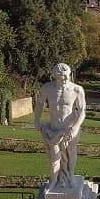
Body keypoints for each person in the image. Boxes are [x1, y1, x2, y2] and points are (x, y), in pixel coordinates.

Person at [34, 63, 86, 192]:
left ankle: (71, 176)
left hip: (70, 129)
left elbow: (82, 111)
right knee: (54, 158)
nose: (66, 79)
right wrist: (36, 119)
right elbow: (40, 104)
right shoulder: (47, 88)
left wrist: (75, 127)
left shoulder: (77, 90)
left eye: (67, 76)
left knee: (71, 153)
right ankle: (53, 181)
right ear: (55, 76)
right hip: (53, 130)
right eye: (62, 77)